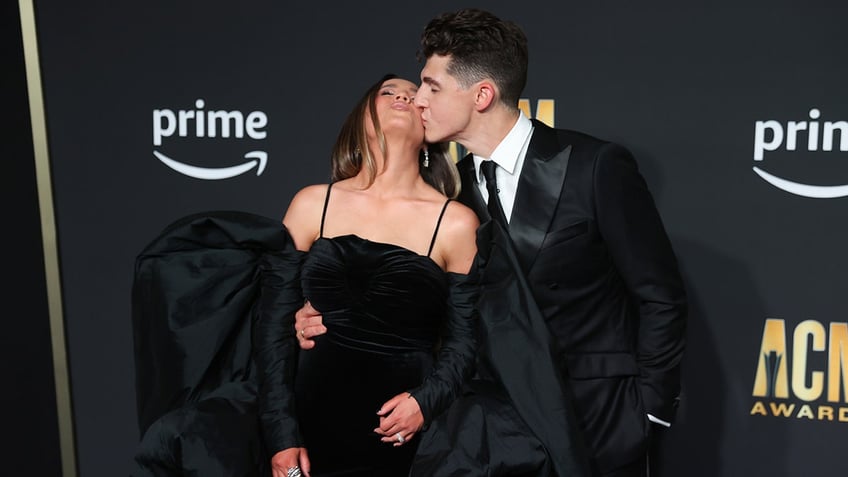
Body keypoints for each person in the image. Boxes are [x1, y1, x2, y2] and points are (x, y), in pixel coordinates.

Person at [297, 8, 687, 477]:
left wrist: (649, 412)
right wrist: (323, 312)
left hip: (599, 419)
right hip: (497, 435)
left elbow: (660, 295)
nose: (417, 99)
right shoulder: (450, 195)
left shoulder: (593, 165)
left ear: (482, 94)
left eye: (432, 86)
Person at [254, 73, 480, 477]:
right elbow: (271, 330)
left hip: (401, 433)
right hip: (309, 426)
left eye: (415, 95)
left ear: (431, 126)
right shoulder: (312, 204)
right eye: (387, 92)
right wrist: (281, 435)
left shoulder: (456, 223)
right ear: (360, 120)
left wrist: (425, 402)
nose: (402, 97)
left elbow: (465, 342)